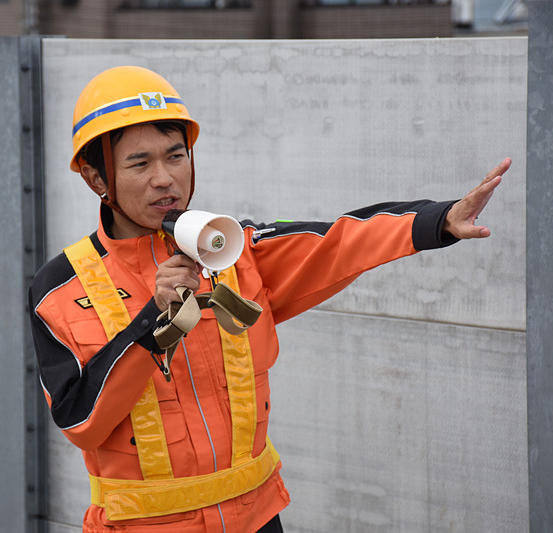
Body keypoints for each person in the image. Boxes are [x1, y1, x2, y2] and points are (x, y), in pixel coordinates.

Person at [28, 65, 511, 533]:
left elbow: (339, 242)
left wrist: (438, 221)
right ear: (96, 180)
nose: (164, 178)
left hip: (257, 519)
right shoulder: (62, 288)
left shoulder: (236, 251)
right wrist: (153, 322)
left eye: (176, 155)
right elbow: (80, 421)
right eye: (139, 162)